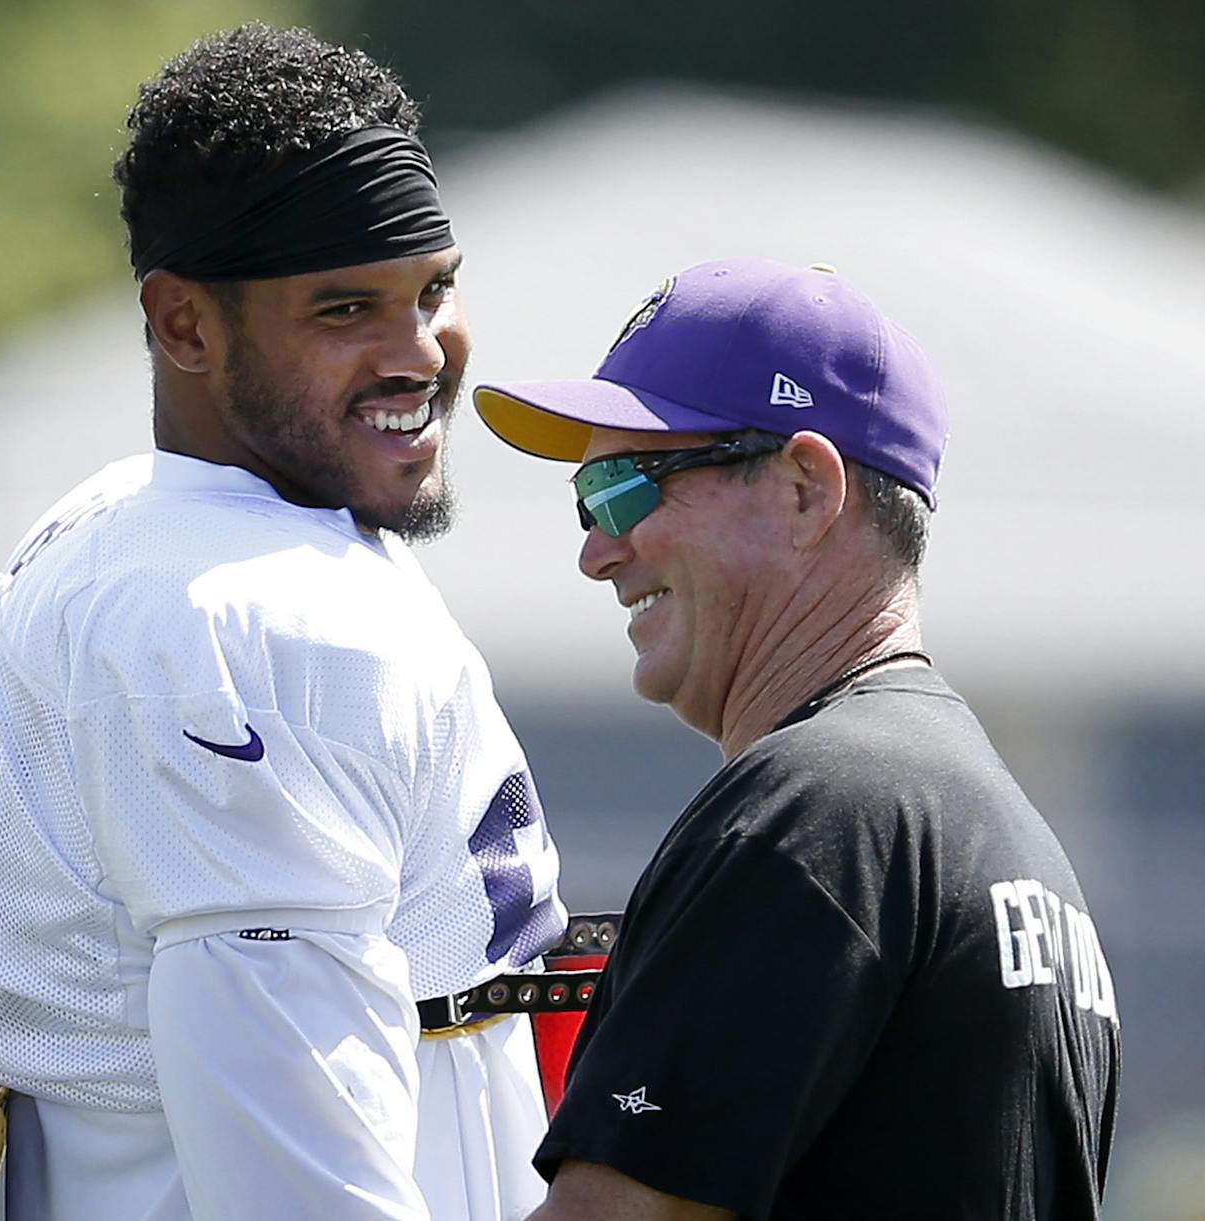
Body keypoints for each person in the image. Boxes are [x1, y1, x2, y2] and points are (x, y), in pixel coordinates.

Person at [0, 24, 567, 1221]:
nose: (419, 353)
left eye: (433, 289)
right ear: (184, 327)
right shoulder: (257, 619)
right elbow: (292, 1177)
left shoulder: (140, 526)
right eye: (342, 309)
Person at [473, 258, 1121, 1219]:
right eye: (588, 504)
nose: (596, 550)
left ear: (806, 490)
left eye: (624, 488)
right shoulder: (1012, 842)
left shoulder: (814, 810)